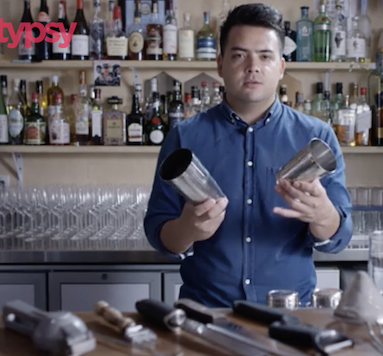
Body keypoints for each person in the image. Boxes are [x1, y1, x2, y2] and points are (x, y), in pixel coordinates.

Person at [144, 3, 352, 308]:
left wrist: (323, 216)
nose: (252, 66)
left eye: (265, 56)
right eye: (239, 55)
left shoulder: (317, 138)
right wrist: (187, 229)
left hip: (291, 316)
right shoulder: (185, 137)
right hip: (205, 315)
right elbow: (159, 232)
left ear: (281, 67)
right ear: (220, 65)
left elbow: (340, 236)